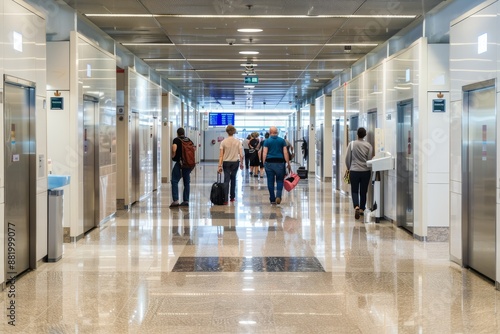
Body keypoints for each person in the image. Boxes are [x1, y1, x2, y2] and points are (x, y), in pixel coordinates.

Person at [345, 127, 373, 220]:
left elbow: (347, 158)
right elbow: (369, 160)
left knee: (354, 190)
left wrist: (349, 167)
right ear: (365, 135)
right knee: (363, 191)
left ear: (357, 134)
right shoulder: (368, 146)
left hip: (354, 171)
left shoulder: (351, 144)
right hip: (365, 171)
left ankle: (356, 206)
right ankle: (362, 208)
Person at [262, 126, 291, 205]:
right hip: (280, 163)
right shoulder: (282, 141)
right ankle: (278, 196)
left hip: (269, 163)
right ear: (277, 132)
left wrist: (263, 163)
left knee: (270, 181)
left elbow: (264, 153)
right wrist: (288, 163)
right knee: (279, 180)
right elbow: (285, 152)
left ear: (269, 132)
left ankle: (272, 199)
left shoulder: (267, 141)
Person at [217, 125, 244, 204]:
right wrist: (242, 163)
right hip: (235, 162)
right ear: (234, 132)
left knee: (226, 180)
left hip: (226, 162)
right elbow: (241, 154)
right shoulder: (238, 141)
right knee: (233, 179)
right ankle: (232, 197)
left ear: (227, 132)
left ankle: (225, 199)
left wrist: (219, 165)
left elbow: (221, 155)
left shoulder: (223, 142)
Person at [170, 127, 194, 208]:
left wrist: (173, 154)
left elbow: (174, 148)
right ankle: (186, 200)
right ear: (184, 133)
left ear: (177, 133)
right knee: (186, 182)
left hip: (180, 164)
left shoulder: (176, 140)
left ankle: (176, 200)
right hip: (188, 164)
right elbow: (194, 149)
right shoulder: (188, 140)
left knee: (174, 180)